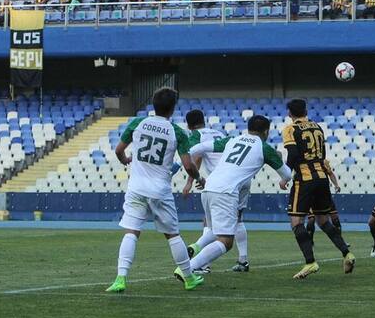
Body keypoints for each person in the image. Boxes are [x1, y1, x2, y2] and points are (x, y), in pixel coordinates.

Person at [105, 87, 206, 293]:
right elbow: (188, 165)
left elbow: (118, 150)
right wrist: (199, 178)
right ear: (173, 109)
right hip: (160, 190)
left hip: (136, 188)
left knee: (131, 232)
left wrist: (126, 160)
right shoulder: (177, 131)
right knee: (173, 235)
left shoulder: (137, 123)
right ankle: (188, 278)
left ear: (153, 104)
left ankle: (120, 278)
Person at [188, 116, 292, 274]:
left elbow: (198, 149)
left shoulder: (232, 139)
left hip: (209, 186)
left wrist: (186, 159)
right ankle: (190, 267)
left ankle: (197, 251)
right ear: (266, 131)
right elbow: (287, 173)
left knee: (213, 229)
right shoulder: (264, 148)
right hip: (228, 190)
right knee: (228, 236)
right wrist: (283, 180)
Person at [283, 98, 355, 279]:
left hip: (304, 180)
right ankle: (347, 253)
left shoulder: (290, 129)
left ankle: (310, 262)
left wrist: (285, 176)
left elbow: (292, 154)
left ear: (289, 113)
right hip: (322, 178)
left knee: (296, 222)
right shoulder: (317, 127)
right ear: (305, 110)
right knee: (324, 221)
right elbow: (323, 155)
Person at [181, 110, 239, 273]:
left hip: (220, 186)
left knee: (219, 229)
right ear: (203, 120)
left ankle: (199, 257)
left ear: (188, 125)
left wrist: (191, 181)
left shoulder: (197, 136)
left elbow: (196, 158)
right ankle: (204, 261)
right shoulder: (219, 133)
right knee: (211, 224)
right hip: (231, 182)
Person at [305, 159, 342, 241]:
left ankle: (340, 240)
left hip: (324, 195)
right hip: (310, 196)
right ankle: (309, 242)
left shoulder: (323, 162)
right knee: (311, 219)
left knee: (335, 218)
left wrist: (336, 185)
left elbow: (330, 174)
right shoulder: (302, 163)